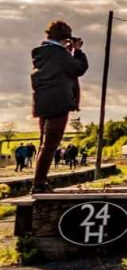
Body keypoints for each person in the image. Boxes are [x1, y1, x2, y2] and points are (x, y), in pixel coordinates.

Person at [29, 21, 88, 194]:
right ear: (65, 38)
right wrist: (77, 51)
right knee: (51, 143)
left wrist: (67, 51)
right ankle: (39, 184)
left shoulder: (41, 53)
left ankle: (39, 181)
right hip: (58, 102)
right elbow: (79, 68)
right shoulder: (59, 54)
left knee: (44, 143)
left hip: (42, 102)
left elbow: (61, 69)